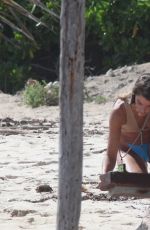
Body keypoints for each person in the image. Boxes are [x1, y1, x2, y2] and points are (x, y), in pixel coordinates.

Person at [102, 73, 150, 175]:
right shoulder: (120, 111)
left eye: (148, 106)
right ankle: (126, 170)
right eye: (139, 103)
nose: (143, 110)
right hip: (127, 151)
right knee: (138, 181)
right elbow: (110, 154)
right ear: (134, 94)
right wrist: (105, 176)